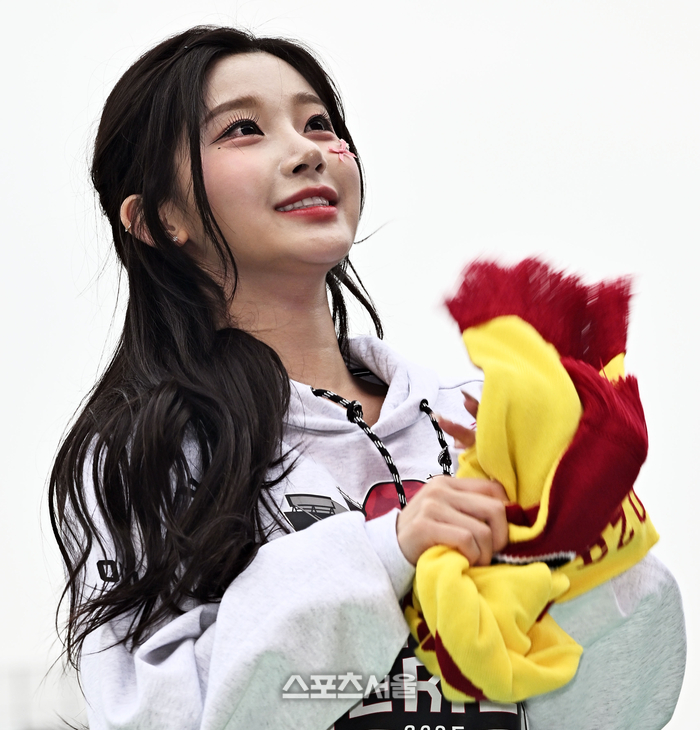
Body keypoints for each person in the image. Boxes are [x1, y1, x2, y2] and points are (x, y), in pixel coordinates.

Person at [49, 26, 685, 730]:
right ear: (159, 218)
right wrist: (387, 552)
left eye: (318, 123)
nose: (307, 151)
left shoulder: (473, 414)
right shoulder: (145, 452)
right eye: (243, 129)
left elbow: (618, 707)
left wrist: (590, 541)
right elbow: (163, 718)